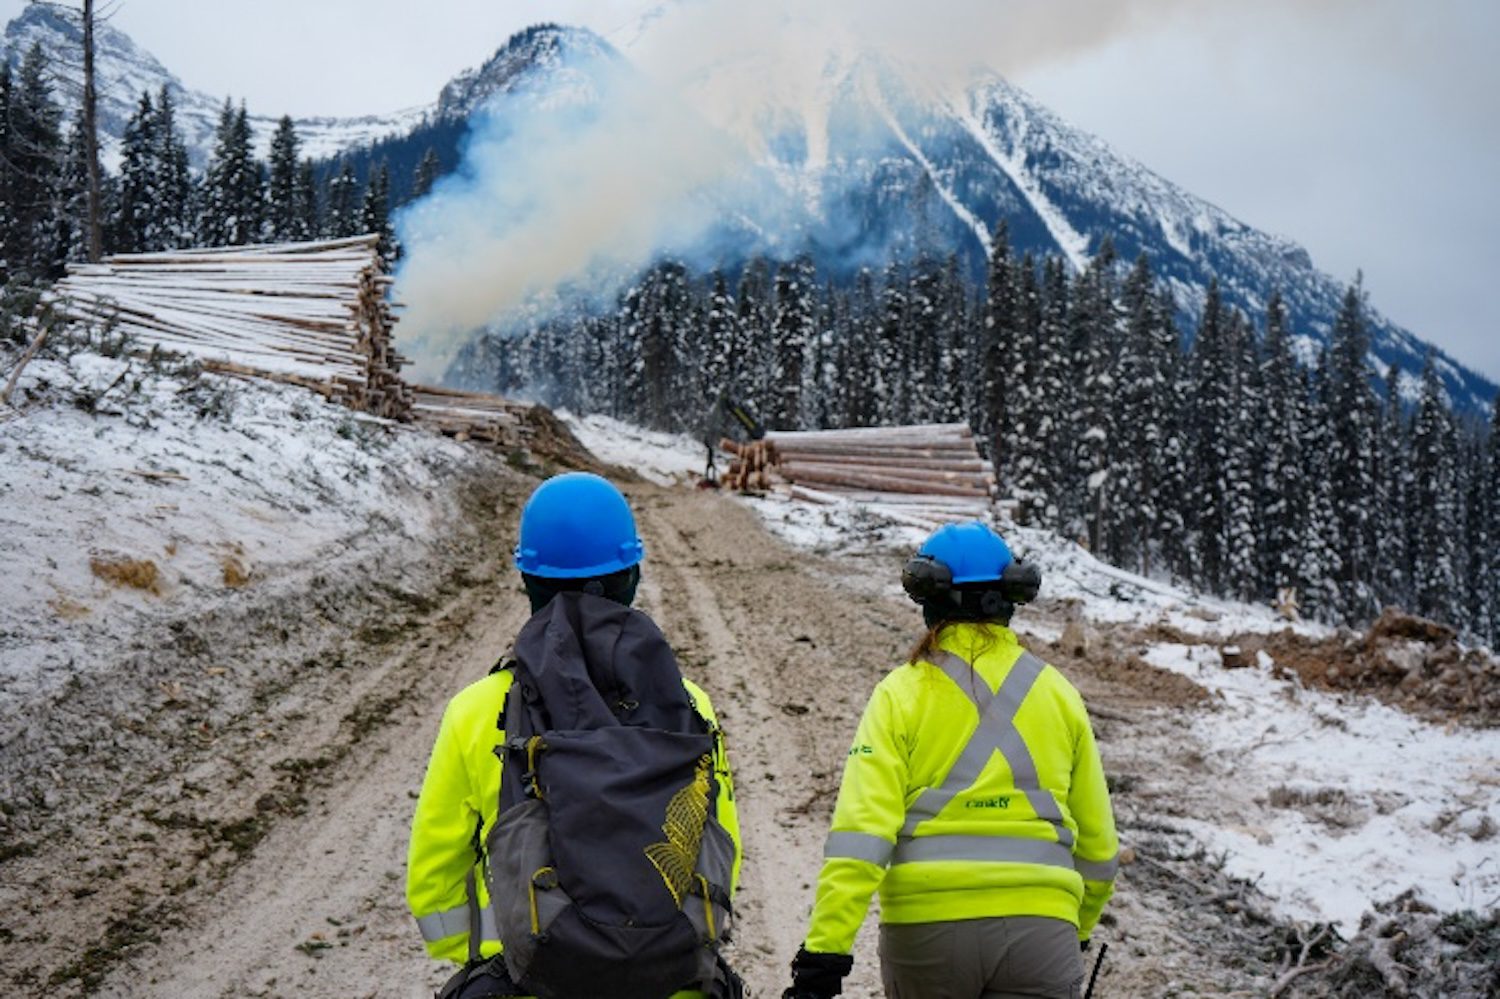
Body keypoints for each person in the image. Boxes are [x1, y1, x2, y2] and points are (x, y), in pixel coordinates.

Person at [408, 472, 743, 999]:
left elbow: (433, 876)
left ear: (527, 580)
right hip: (670, 983)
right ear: (631, 575)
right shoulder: (689, 704)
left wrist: (492, 955)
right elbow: (722, 844)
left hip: (529, 983)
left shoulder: (475, 710)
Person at [784, 522, 1118, 999]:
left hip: (927, 934)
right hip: (1043, 931)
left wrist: (825, 955)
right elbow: (1100, 850)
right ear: (1010, 598)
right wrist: (1075, 928)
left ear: (929, 600)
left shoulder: (899, 695)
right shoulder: (1059, 694)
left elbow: (862, 836)